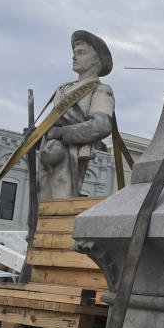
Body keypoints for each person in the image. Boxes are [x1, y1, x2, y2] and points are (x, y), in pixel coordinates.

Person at [37, 30, 115, 200]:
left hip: (69, 159)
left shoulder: (100, 90)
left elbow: (101, 126)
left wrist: (62, 133)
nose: (74, 57)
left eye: (81, 53)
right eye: (74, 53)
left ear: (96, 60)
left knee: (60, 204)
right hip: (47, 156)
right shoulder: (63, 89)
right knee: (40, 206)